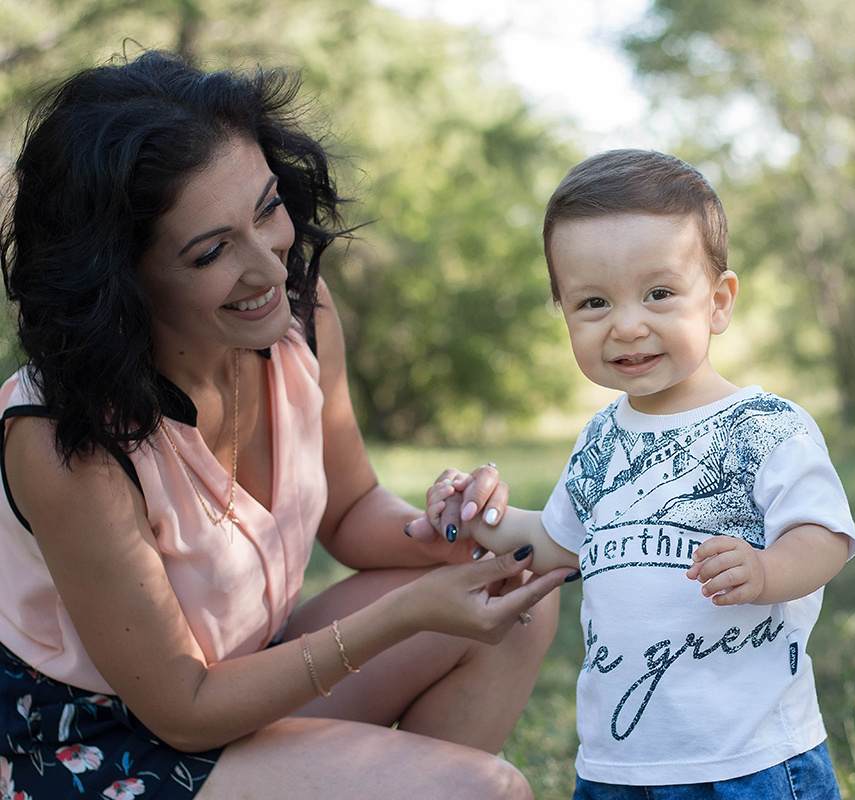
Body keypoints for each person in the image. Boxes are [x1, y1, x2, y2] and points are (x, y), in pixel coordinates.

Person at [0, 50, 576, 800]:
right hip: (96, 743)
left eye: (267, 209)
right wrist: (405, 612)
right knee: (478, 790)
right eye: (212, 251)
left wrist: (443, 529)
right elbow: (183, 709)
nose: (271, 268)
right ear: (120, 277)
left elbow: (349, 508)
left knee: (515, 595)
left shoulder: (297, 314)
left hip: (241, 673)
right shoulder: (62, 437)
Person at [421, 149, 855, 799]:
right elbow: (556, 545)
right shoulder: (601, 440)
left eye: (659, 294)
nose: (628, 325)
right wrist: (475, 512)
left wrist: (767, 571)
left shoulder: (767, 426)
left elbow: (824, 537)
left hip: (748, 759)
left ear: (717, 302)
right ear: (565, 312)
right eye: (594, 302)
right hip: (619, 764)